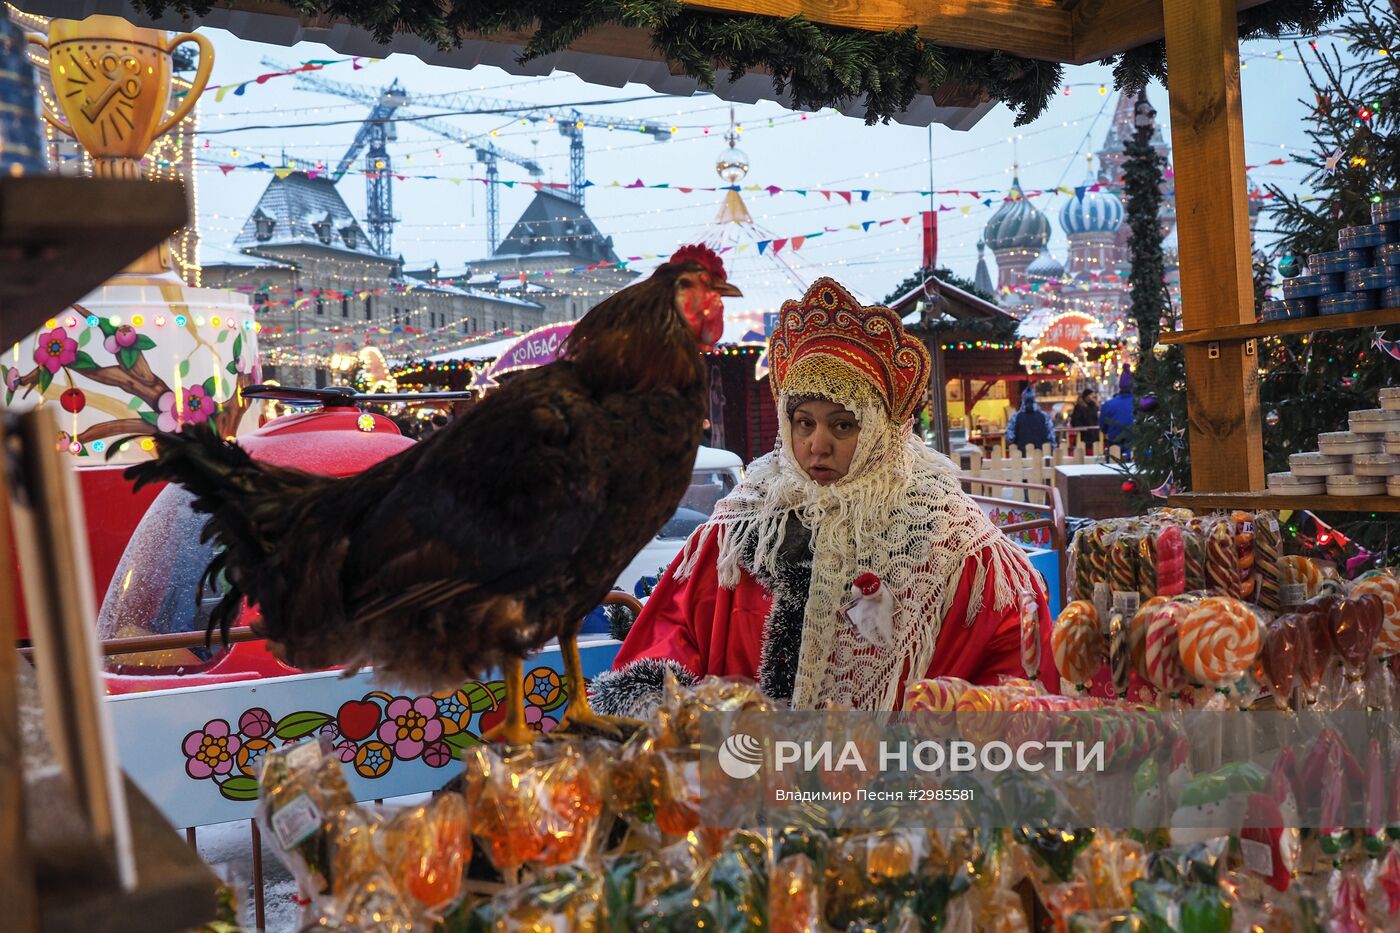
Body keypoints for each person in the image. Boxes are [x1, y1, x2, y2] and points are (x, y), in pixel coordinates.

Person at [590, 278, 1055, 716]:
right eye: (804, 422)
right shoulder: (742, 525)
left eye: (843, 425)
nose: (817, 444)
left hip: (899, 789)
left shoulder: (949, 537)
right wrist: (675, 712)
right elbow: (674, 633)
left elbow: (1012, 663)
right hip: (744, 782)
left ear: (879, 431)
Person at [1004, 386, 1055, 455]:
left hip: (1021, 455)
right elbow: (1051, 436)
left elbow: (1009, 436)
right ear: (1035, 399)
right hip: (1041, 455)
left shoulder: (1016, 417)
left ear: (1022, 399)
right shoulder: (1044, 416)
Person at [1100, 367, 1136, 449]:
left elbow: (1103, 428)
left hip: (1115, 448)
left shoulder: (1108, 405)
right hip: (1137, 449)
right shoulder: (1140, 403)